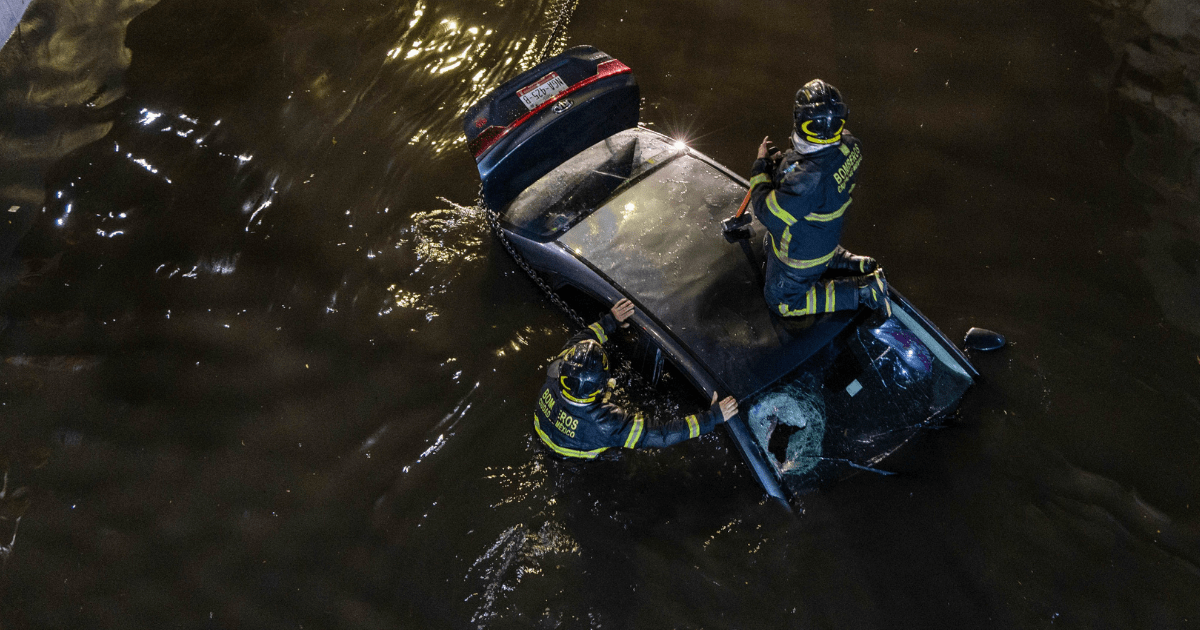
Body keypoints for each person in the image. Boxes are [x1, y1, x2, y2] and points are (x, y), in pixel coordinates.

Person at [747, 78, 890, 318]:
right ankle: (850, 262)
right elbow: (819, 161)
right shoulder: (851, 147)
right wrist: (786, 164)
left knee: (781, 302)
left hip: (801, 257)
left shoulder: (807, 180)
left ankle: (865, 291)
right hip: (823, 237)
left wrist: (760, 167)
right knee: (784, 242)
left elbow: (766, 212)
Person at [533, 298, 739, 459]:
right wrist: (711, 418)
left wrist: (610, 321)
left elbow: (581, 340)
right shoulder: (607, 424)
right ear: (600, 385)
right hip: (577, 458)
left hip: (544, 436)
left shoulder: (556, 373)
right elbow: (661, 435)